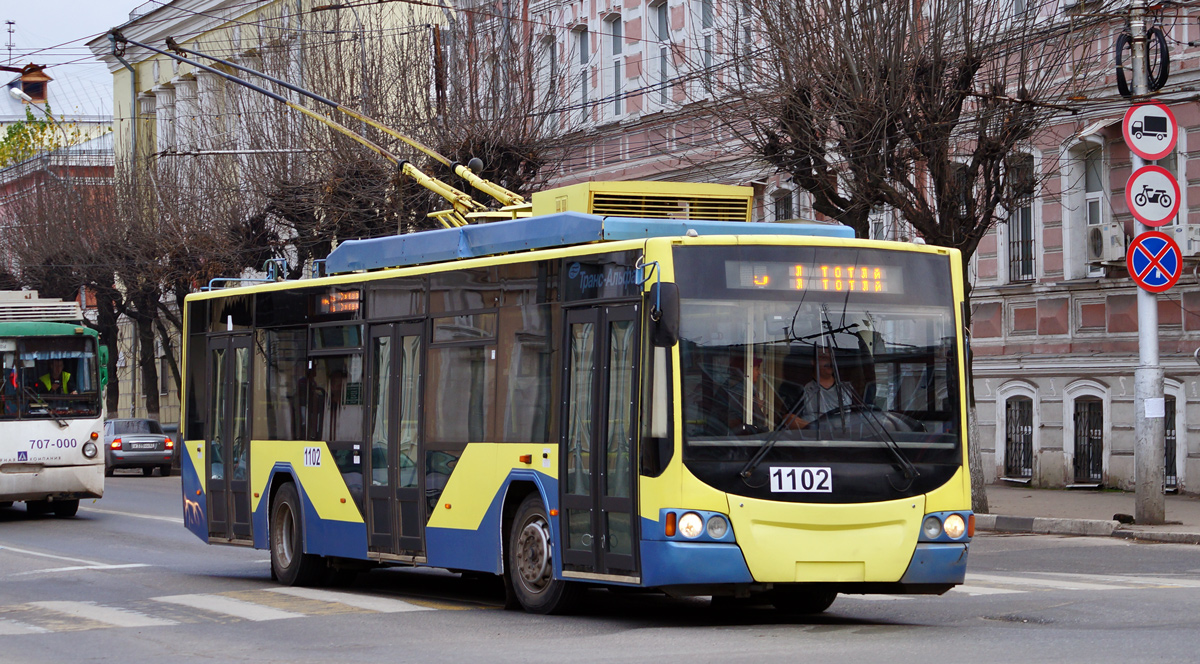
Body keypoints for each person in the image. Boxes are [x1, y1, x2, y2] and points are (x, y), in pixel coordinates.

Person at [800, 347, 857, 423]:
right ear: (813, 361)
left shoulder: (848, 389)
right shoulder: (803, 389)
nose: (830, 362)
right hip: (813, 434)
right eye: (824, 358)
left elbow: (863, 417)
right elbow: (789, 418)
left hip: (845, 434)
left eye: (832, 358)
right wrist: (814, 428)